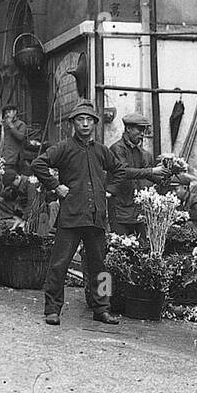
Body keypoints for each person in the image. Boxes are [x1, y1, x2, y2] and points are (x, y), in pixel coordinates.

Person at [33, 101, 125, 326]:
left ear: (94, 123)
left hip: (96, 218)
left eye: (88, 120)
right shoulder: (64, 148)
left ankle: (102, 309)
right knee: (59, 265)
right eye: (79, 120)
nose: (84, 124)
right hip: (71, 217)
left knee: (101, 268)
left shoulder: (102, 150)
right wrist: (56, 185)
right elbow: (39, 164)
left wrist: (110, 191)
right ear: (73, 124)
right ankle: (52, 310)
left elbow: (119, 169)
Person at [108, 112, 166, 238]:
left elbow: (146, 173)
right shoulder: (117, 149)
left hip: (138, 211)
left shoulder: (142, 153)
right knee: (120, 248)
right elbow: (124, 171)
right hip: (120, 209)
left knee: (141, 249)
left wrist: (166, 174)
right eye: (139, 130)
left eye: (144, 130)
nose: (142, 134)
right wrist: (153, 171)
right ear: (128, 129)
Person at [0, 105, 33, 174]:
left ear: (15, 112)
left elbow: (21, 137)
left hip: (14, 159)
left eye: (8, 112)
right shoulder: (4, 125)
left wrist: (10, 125)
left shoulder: (21, 124)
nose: (7, 115)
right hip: (3, 158)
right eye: (6, 113)